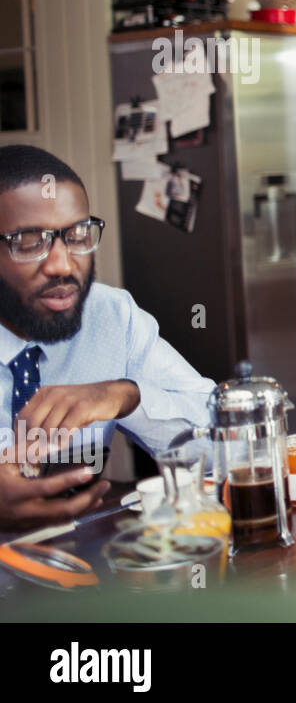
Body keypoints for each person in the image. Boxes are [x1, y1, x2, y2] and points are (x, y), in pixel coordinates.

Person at [0, 145, 212, 530]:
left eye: (78, 235)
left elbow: (223, 445)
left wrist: (128, 395)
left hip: (88, 575)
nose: (63, 265)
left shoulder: (111, 317)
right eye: (29, 242)